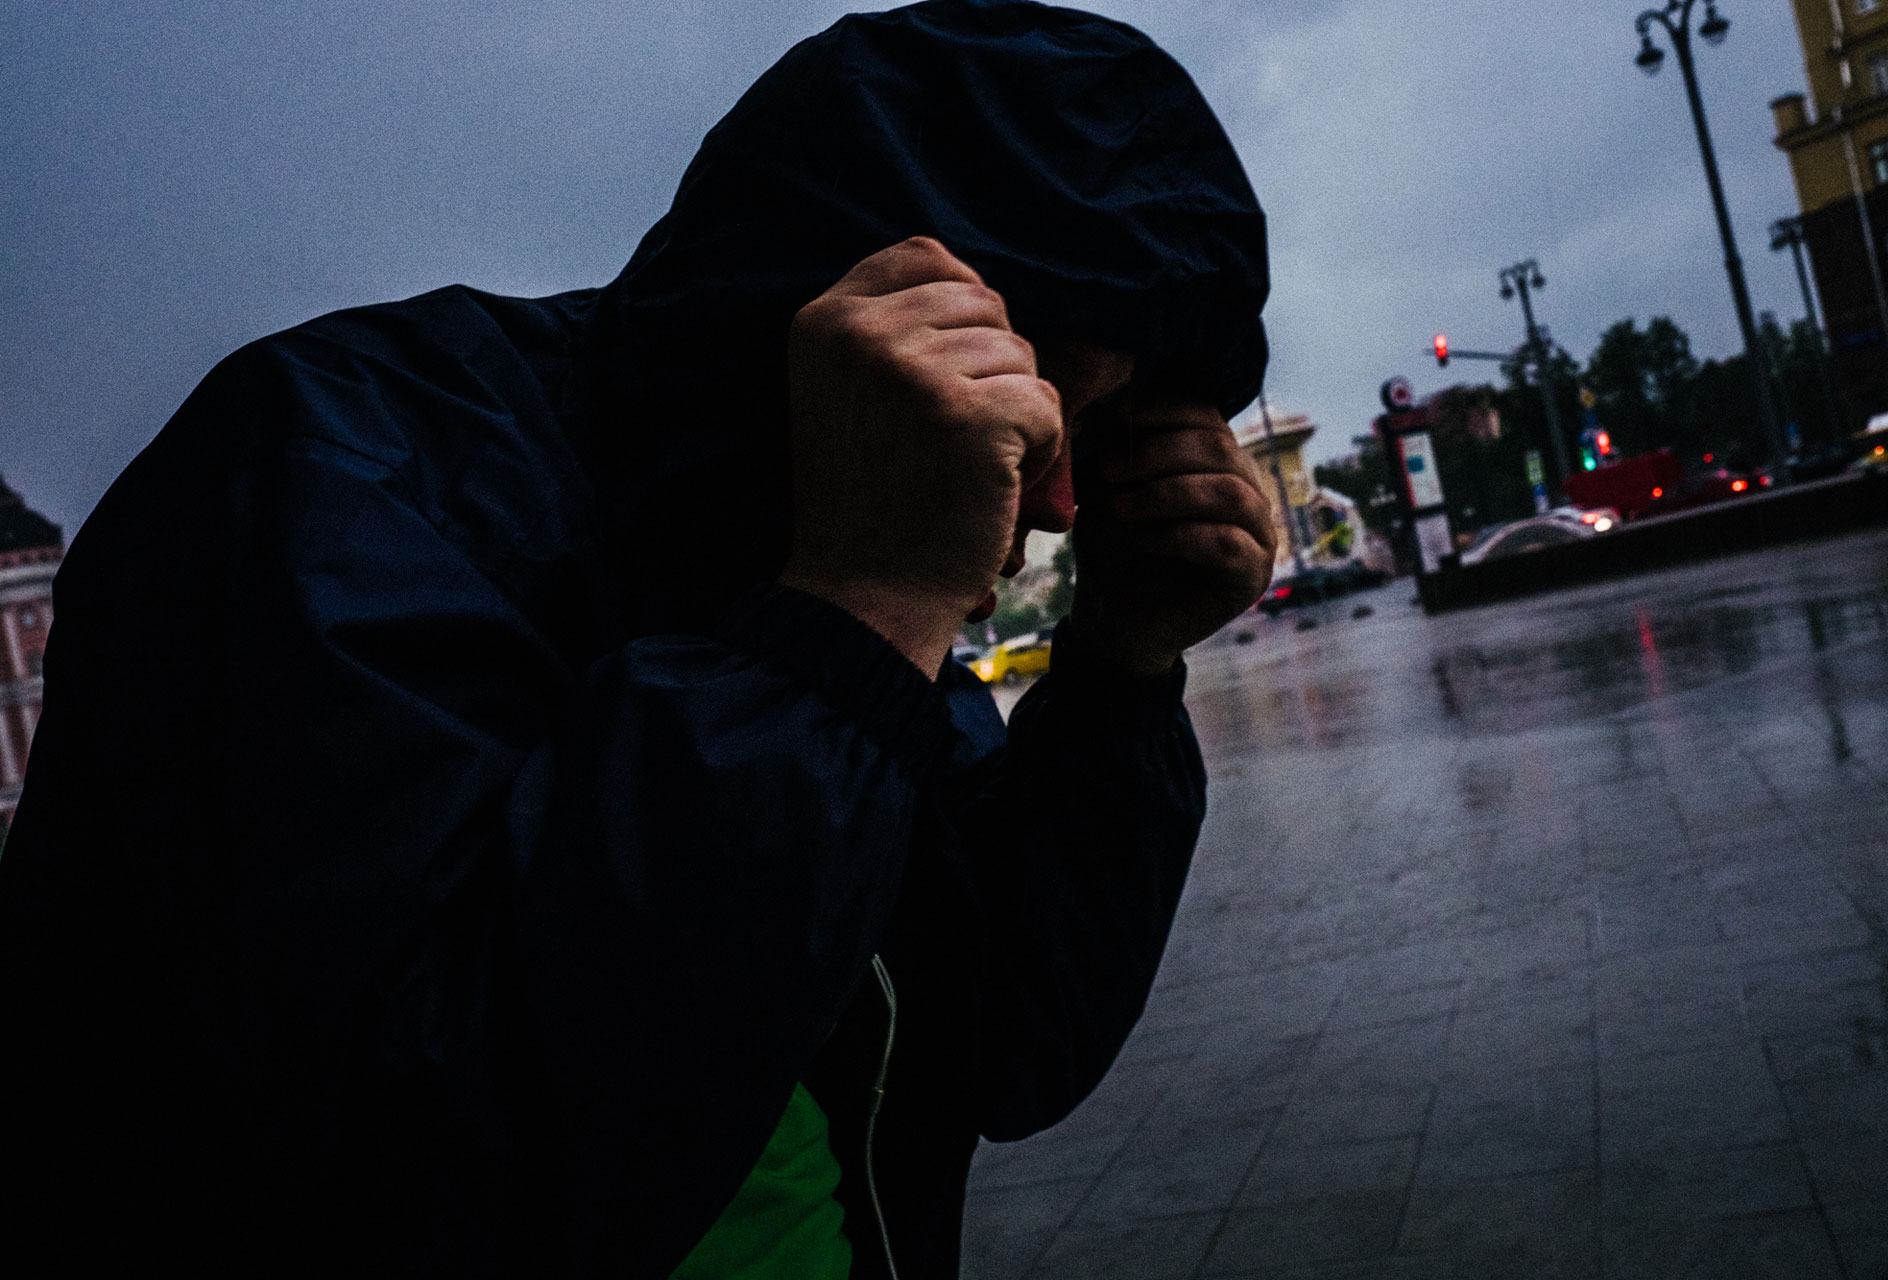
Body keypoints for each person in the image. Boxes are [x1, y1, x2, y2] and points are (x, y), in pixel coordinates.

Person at [0, 1, 1274, 1275]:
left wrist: (1120, 671)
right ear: (843, 326)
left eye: (1098, 445)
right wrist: (859, 608)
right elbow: (441, 1178)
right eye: (1027, 416)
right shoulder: (324, 473)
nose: (1058, 507)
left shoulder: (845, 568)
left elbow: (1005, 1046)